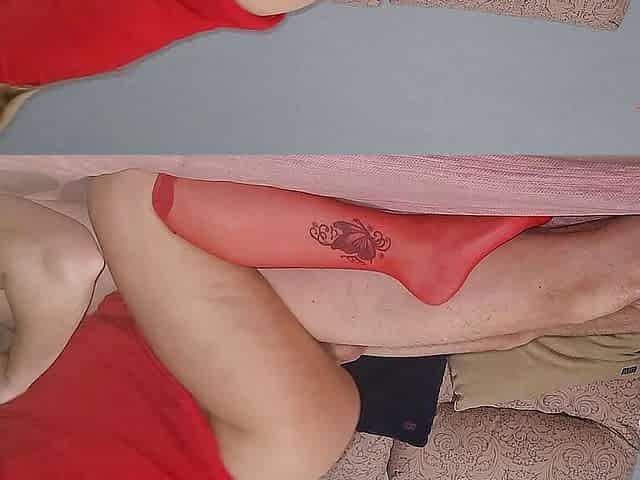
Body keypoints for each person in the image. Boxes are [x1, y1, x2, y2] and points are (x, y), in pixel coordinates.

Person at [1, 171, 639, 477]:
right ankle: (414, 252)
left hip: (248, 432)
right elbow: (64, 260)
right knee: (129, 192)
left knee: (538, 308)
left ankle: (426, 258)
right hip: (226, 416)